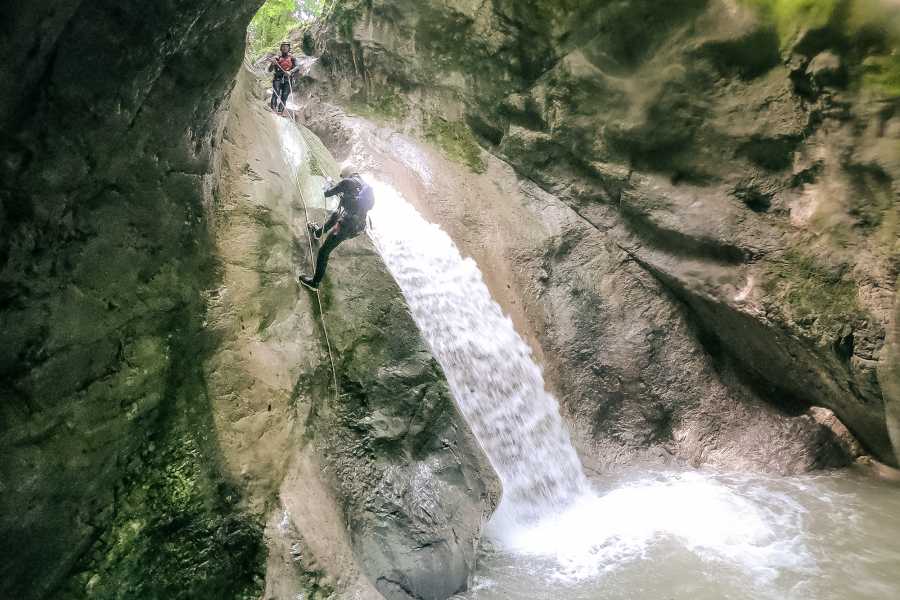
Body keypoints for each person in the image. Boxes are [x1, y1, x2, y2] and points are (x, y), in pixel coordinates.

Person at [299, 166, 375, 290]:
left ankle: (315, 283)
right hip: (358, 225)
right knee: (336, 215)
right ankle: (318, 233)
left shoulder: (346, 182)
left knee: (324, 252)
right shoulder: (362, 183)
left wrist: (327, 183)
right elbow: (351, 199)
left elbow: (327, 193)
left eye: (342, 176)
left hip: (346, 226)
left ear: (346, 174)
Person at [268, 41, 298, 115]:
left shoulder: (292, 58)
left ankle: (280, 111)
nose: (285, 48)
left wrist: (290, 72)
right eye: (283, 47)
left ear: (289, 49)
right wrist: (272, 64)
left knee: (284, 96)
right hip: (277, 78)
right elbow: (270, 70)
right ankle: (273, 108)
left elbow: (297, 67)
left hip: (288, 79)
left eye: (286, 47)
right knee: (276, 93)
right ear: (281, 48)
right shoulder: (277, 58)